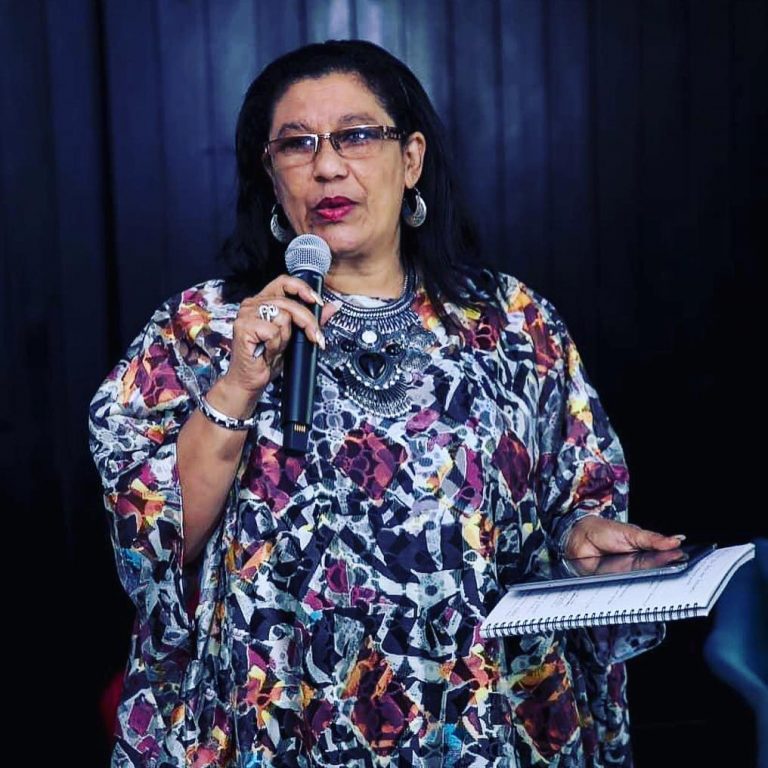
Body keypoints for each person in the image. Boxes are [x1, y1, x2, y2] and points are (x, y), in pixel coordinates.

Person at [89, 39, 683, 767]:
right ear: (271, 176)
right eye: (296, 144)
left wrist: (578, 538)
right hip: (278, 721)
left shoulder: (510, 324)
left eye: (357, 135)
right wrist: (240, 382)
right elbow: (155, 542)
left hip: (475, 718)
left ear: (411, 159)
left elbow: (573, 496)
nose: (327, 166)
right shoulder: (202, 330)